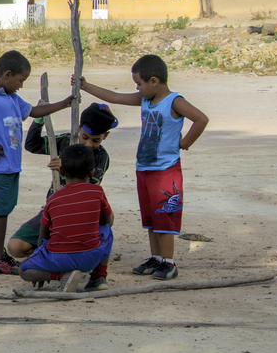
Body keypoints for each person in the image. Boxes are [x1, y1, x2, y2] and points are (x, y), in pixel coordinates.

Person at [78, 54, 209, 280]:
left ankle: (168, 262)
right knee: (150, 218)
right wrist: (85, 86)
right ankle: (156, 258)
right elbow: (115, 97)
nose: (137, 88)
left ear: (154, 81)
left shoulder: (174, 101)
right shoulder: (145, 100)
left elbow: (201, 119)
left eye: (139, 83)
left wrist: (184, 143)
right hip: (144, 168)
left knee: (164, 217)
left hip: (165, 170)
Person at [0, 50, 73, 274]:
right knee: (1, 212)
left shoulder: (12, 98)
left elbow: (34, 111)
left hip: (10, 165)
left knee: (1, 209)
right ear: (7, 74)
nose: (21, 86)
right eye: (20, 80)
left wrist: (64, 104)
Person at [6, 103, 118, 290]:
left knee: (107, 220)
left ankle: (85, 269)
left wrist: (63, 171)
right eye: (85, 137)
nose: (89, 144)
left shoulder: (101, 157)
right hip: (54, 211)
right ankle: (65, 262)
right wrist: (40, 117)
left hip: (81, 212)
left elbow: (86, 190)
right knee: (15, 247)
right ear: (79, 128)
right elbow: (32, 145)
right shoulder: (65, 141)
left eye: (96, 140)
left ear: (105, 136)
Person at [18, 144, 114, 291]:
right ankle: (98, 278)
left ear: (61, 171)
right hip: (89, 259)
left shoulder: (53, 199)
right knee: (107, 230)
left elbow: (43, 235)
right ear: (92, 172)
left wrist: (42, 262)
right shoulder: (97, 192)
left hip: (57, 259)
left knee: (23, 270)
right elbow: (107, 221)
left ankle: (62, 275)